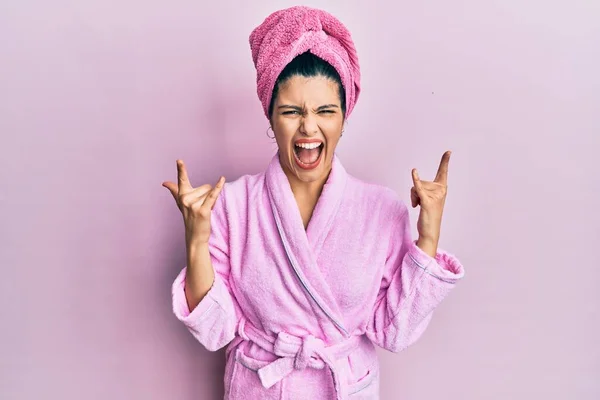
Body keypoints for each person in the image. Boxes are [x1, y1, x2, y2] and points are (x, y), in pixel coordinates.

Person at [163, 6, 464, 400]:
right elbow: (215, 329)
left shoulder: (381, 209)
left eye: (326, 111)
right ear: (271, 117)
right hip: (263, 388)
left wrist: (428, 236)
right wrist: (196, 239)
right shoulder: (233, 206)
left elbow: (394, 330)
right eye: (291, 111)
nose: (308, 127)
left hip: (344, 387)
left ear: (343, 117)